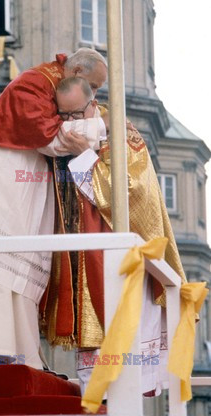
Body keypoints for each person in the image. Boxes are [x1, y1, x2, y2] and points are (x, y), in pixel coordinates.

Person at [0, 49, 108, 369]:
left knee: (25, 261)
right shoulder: (32, 84)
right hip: (6, 179)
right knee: (1, 257)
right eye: (95, 86)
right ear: (77, 71)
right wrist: (99, 127)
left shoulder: (54, 83)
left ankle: (23, 351)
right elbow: (56, 139)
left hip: (25, 179)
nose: (94, 96)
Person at [41, 76, 187, 395]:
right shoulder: (67, 137)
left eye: (75, 116)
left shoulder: (121, 131)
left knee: (127, 367)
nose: (69, 124)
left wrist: (82, 156)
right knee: (97, 377)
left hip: (125, 259)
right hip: (83, 257)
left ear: (93, 104)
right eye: (62, 117)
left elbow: (127, 193)